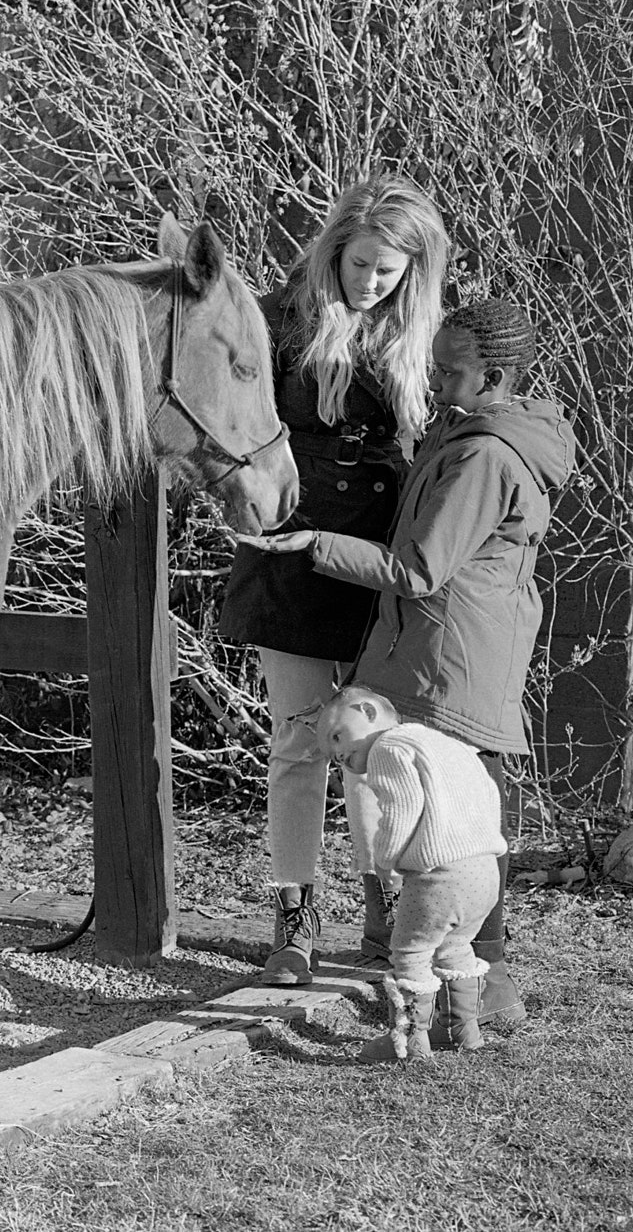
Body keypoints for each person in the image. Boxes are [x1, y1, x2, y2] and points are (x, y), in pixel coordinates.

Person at [241, 297, 578, 1031]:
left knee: (459, 828)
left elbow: (421, 567)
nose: (433, 375)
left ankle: (485, 988)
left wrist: (315, 545)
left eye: (449, 368)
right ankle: (447, 984)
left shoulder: (486, 455)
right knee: (446, 820)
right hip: (432, 649)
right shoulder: (464, 433)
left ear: (492, 375)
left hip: (451, 658)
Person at [220, 174, 449, 985]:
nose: (371, 283)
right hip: (290, 549)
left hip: (380, 558)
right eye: (360, 265)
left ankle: (381, 906)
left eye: (389, 272)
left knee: (376, 740)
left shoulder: (417, 333)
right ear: (335, 249)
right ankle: (294, 918)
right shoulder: (278, 319)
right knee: (296, 741)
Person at [314, 686, 505, 1060]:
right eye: (332, 758)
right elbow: (489, 792)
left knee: (410, 953)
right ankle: (461, 1029)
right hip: (484, 870)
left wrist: (386, 858)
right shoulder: (445, 744)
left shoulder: (389, 747)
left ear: (368, 711)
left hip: (439, 876)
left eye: (337, 736)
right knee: (455, 947)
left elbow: (400, 810)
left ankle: (408, 1042)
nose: (338, 754)